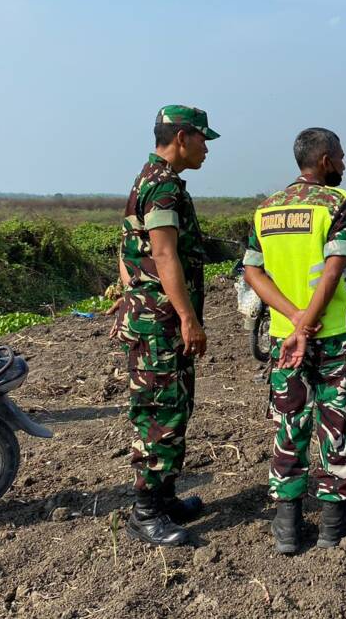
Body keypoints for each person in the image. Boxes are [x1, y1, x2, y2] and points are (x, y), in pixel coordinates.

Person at [243, 128, 346, 554]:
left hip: (285, 337)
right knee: (337, 423)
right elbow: (333, 270)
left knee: (290, 423)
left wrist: (294, 319)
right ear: (326, 160)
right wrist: (308, 323)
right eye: (341, 157)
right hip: (333, 335)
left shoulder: (267, 209)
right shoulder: (338, 203)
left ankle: (288, 526)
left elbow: (252, 272)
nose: (344, 165)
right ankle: (333, 522)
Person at [113, 105, 219, 546]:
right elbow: (162, 253)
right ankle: (146, 512)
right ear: (181, 137)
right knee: (161, 414)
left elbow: (127, 250)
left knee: (174, 406)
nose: (206, 148)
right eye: (202, 139)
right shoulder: (163, 186)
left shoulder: (148, 179)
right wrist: (188, 319)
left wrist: (131, 295)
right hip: (161, 325)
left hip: (152, 319)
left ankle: (166, 497)